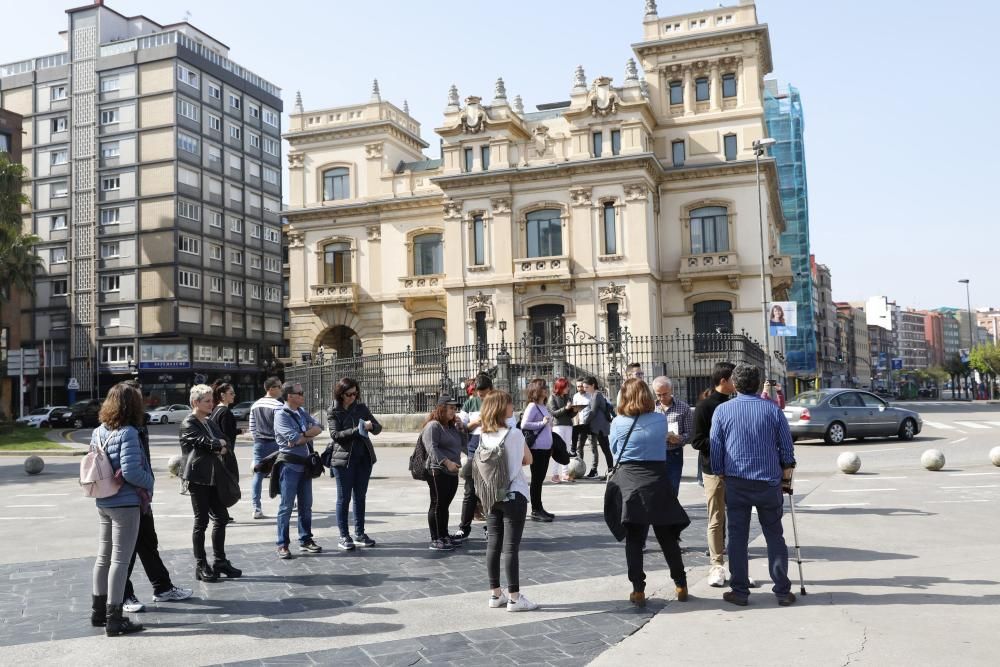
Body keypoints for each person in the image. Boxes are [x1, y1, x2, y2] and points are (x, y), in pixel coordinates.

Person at [711, 363, 797, 607]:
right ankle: (781, 590)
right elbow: (786, 446)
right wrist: (787, 468)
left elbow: (716, 447)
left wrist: (720, 472)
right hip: (768, 481)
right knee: (774, 535)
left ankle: (739, 591)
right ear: (758, 384)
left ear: (735, 384)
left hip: (737, 481)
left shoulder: (723, 411)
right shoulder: (772, 410)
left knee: (737, 537)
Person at [606, 378, 690, 608]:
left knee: (634, 539)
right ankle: (680, 583)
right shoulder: (660, 420)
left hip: (631, 482)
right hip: (657, 480)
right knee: (667, 537)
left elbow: (614, 452)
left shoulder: (618, 423)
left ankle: (638, 589)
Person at [120, 381, 192, 614]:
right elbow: (128, 468)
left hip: (141, 496)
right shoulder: (120, 426)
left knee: (148, 542)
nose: (142, 400)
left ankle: (162, 587)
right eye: (137, 397)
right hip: (125, 496)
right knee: (126, 550)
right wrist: (148, 482)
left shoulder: (140, 422)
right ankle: (123, 594)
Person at [90, 382, 155, 636]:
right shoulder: (128, 432)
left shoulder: (98, 431)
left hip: (104, 500)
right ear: (133, 405)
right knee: (120, 559)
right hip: (125, 502)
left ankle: (98, 613)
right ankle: (114, 618)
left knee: (103, 557)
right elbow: (131, 472)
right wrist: (151, 481)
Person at [475, 389, 538, 611]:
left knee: (493, 544)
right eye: (510, 404)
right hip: (514, 494)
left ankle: (495, 594)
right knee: (510, 548)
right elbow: (528, 459)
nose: (513, 408)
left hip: (492, 496)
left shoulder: (483, 434)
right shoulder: (514, 434)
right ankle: (514, 597)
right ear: (503, 408)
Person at [180, 384, 242, 582]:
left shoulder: (209, 421)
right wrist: (218, 445)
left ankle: (220, 561)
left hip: (214, 477)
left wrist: (220, 445)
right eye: (207, 401)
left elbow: (225, 441)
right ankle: (201, 565)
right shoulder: (188, 423)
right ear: (195, 402)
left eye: (212, 400)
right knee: (201, 522)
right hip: (198, 479)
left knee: (222, 517)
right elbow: (207, 443)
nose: (211, 403)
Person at [690, 363, 735, 588]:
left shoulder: (736, 403)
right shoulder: (705, 406)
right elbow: (696, 441)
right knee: (716, 518)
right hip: (714, 470)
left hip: (737, 469)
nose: (736, 382)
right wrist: (723, 443)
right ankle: (716, 564)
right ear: (724, 380)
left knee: (737, 516)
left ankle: (737, 567)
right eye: (733, 378)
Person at [327, 377, 382, 551]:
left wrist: (371, 426)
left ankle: (360, 533)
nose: (353, 397)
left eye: (355, 393)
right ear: (341, 394)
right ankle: (344, 535)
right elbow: (335, 435)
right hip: (343, 461)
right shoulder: (333, 411)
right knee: (344, 499)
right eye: (349, 394)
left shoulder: (361, 408)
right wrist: (357, 430)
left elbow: (378, 428)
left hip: (363, 459)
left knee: (360, 497)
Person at [273, 381, 325, 559]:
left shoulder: (301, 412)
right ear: (290, 396)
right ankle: (282, 544)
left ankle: (305, 539)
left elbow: (320, 427)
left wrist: (303, 435)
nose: (303, 395)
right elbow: (294, 438)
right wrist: (305, 434)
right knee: (286, 506)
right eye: (299, 393)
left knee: (306, 505)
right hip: (290, 465)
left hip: (305, 464)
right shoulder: (281, 415)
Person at [422, 395, 467, 551]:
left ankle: (444, 534)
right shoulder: (433, 426)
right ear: (442, 408)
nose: (454, 412)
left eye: (455, 409)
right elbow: (431, 448)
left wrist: (461, 429)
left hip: (452, 471)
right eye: (451, 408)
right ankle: (436, 538)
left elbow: (463, 445)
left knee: (444, 506)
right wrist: (447, 463)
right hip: (437, 470)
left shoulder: (451, 426)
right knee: (437, 504)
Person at [458, 374, 493, 539]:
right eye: (479, 394)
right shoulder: (470, 403)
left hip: (491, 449)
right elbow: (461, 426)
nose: (481, 397)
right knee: (470, 490)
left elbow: (509, 424)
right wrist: (476, 423)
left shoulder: (497, 402)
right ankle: (464, 527)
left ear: (490, 390)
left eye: (484, 394)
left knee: (488, 490)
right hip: (473, 447)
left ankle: (490, 527)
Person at [248, 377, 284, 519]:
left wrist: (256, 438)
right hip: (275, 443)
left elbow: (252, 427)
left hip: (259, 442)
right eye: (279, 386)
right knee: (282, 473)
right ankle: (285, 503)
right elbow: (281, 426)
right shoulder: (278, 405)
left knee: (258, 474)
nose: (281, 389)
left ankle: (256, 507)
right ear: (271, 388)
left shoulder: (255, 405)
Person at [650, 376, 692, 495]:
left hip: (674, 454)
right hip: (655, 454)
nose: (662, 397)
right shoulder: (650, 409)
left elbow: (689, 434)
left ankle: (671, 513)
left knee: (673, 489)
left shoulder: (684, 408)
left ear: (671, 390)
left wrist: (679, 439)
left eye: (665, 394)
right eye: (658, 394)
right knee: (656, 491)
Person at [520, 378, 554, 521]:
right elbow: (524, 424)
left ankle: (539, 508)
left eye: (546, 387)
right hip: (537, 449)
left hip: (545, 449)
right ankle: (535, 510)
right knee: (536, 480)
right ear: (536, 390)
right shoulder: (532, 406)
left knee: (539, 481)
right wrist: (542, 422)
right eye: (543, 387)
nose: (546, 389)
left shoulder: (543, 406)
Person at [210, 383, 241, 525]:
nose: (234, 396)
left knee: (221, 484)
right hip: (225, 453)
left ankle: (220, 511)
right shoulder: (225, 412)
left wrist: (239, 431)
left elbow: (223, 431)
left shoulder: (216, 410)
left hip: (218, 453)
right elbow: (226, 435)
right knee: (228, 484)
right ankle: (217, 511)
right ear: (223, 395)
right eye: (231, 393)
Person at [580, 376, 613, 478]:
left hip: (600, 428)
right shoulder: (595, 395)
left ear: (593, 385)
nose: (584, 389)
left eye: (586, 387)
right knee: (603, 449)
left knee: (606, 449)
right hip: (598, 427)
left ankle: (611, 471)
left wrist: (585, 422)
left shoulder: (596, 395)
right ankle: (606, 471)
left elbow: (593, 411)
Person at [546, 377, 576, 483]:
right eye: (566, 386)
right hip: (557, 425)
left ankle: (565, 473)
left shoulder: (568, 397)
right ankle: (555, 474)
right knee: (558, 449)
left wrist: (575, 410)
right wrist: (566, 408)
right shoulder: (552, 397)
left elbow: (570, 414)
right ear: (561, 387)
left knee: (566, 449)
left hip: (568, 425)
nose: (568, 388)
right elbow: (554, 413)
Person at [569, 379, 589, 459]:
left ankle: (581, 462)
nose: (580, 388)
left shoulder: (589, 395)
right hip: (578, 422)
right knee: (575, 440)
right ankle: (573, 452)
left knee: (580, 446)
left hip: (587, 423)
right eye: (578, 387)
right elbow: (575, 410)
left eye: (581, 386)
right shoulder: (575, 396)